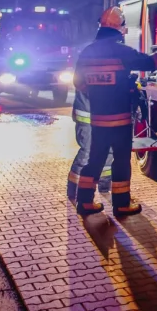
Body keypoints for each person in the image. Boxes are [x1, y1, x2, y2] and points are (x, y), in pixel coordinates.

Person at [73, 7, 157, 217]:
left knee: (95, 159)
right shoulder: (121, 51)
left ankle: (84, 202)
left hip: (98, 120)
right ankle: (121, 204)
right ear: (119, 27)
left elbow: (78, 83)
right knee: (120, 160)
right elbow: (150, 62)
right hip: (120, 120)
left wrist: (98, 94)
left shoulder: (87, 52)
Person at [67, 59, 112, 203]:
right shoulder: (89, 60)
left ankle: (104, 185)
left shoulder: (105, 61)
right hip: (88, 117)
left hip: (104, 117)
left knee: (109, 151)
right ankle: (74, 190)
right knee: (87, 152)